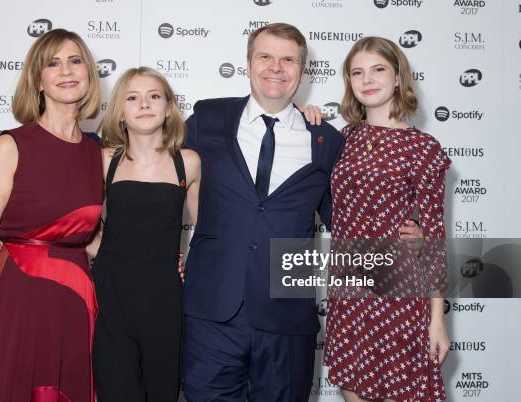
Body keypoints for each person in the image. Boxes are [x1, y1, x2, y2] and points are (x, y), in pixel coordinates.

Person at [181, 23, 421, 401]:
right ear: (248, 64)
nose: (276, 67)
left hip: (288, 315)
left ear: (302, 70)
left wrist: (408, 238)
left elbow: (350, 220)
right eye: (266, 56)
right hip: (212, 310)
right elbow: (159, 179)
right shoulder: (207, 118)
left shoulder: (326, 140)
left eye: (288, 59)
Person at [0, 29, 103, 402]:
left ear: (89, 74)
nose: (66, 70)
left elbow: (91, 240)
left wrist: (160, 261)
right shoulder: (11, 145)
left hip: (74, 305)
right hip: (13, 300)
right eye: (53, 63)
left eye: (75, 61)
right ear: (38, 80)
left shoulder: (99, 156)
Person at [323, 36, 450, 402]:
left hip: (398, 291)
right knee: (354, 392)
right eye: (357, 72)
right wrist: (311, 115)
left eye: (378, 69)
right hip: (348, 289)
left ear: (398, 78)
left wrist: (437, 321)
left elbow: (435, 239)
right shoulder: (341, 138)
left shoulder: (423, 148)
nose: (367, 79)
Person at [90, 66, 201, 402]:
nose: (144, 105)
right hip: (112, 295)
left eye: (154, 96)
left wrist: (191, 264)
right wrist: (99, 250)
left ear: (169, 108)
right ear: (120, 112)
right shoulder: (104, 160)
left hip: (165, 296)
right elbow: (74, 219)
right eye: (132, 98)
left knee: (161, 392)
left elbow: (207, 233)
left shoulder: (189, 162)